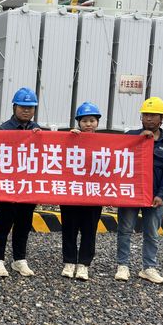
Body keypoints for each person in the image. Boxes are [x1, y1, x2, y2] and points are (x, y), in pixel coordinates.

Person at [115, 96, 163, 284]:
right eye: (145, 115)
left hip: (154, 195)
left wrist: (162, 195)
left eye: (153, 115)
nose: (149, 118)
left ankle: (148, 267)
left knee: (151, 232)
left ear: (162, 118)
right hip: (131, 193)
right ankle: (122, 265)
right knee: (125, 229)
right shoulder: (130, 136)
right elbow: (115, 157)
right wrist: (139, 139)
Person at [0, 87, 42, 278]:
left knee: (24, 224)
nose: (26, 110)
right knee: (3, 223)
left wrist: (41, 137)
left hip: (28, 186)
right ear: (14, 107)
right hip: (8, 186)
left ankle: (19, 259)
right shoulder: (4, 129)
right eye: (22, 107)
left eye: (30, 107)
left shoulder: (38, 130)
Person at [59, 102, 103, 281]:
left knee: (89, 230)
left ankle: (84, 264)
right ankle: (69, 262)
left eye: (92, 120)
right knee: (69, 228)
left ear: (98, 122)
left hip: (94, 194)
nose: (88, 124)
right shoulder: (70, 138)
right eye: (84, 121)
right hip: (71, 192)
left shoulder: (106, 143)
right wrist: (68, 139)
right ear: (78, 122)